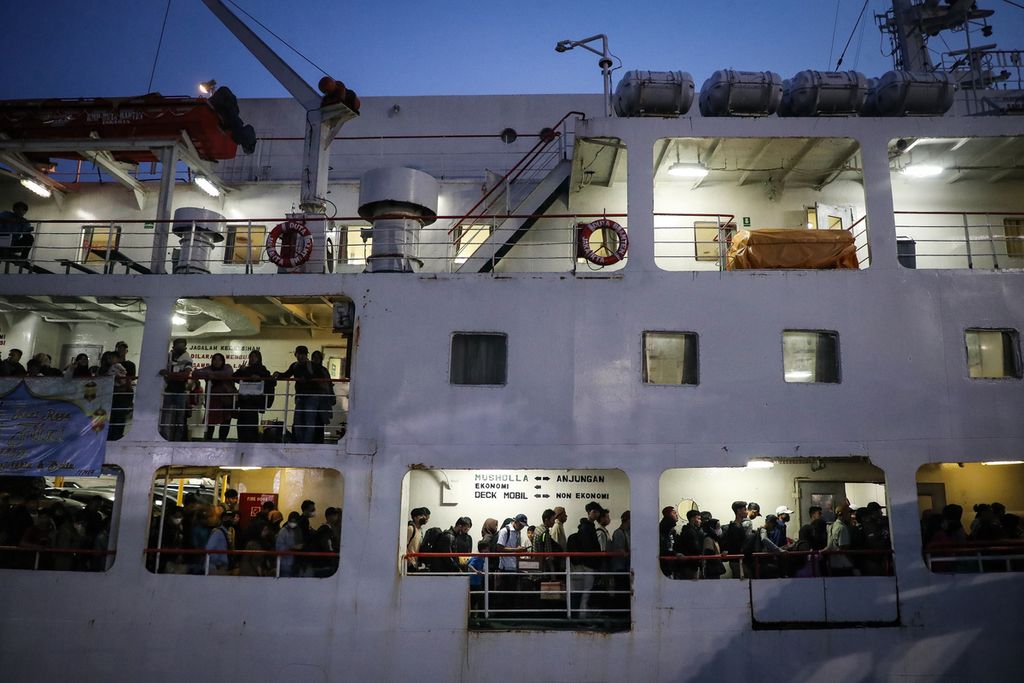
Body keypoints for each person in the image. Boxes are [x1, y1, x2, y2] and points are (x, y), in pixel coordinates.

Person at [274, 346, 319, 443]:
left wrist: (306, 378)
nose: (302, 356)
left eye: (304, 354)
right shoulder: (295, 366)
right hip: (301, 396)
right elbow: (287, 374)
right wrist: (278, 374)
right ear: (296, 355)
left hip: (310, 397)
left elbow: (314, 377)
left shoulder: (310, 365)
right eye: (300, 354)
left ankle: (304, 443)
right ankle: (302, 443)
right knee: (299, 422)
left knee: (307, 421)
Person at [233, 350, 276, 443]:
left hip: (253, 402)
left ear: (259, 358)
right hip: (244, 401)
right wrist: (241, 370)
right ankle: (243, 441)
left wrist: (258, 377)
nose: (252, 359)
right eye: (251, 357)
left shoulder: (262, 370)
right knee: (241, 424)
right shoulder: (246, 369)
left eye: (254, 357)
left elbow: (270, 380)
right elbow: (234, 377)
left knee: (250, 425)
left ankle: (249, 442)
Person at [193, 353, 236, 441]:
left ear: (223, 361)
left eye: (219, 360)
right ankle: (208, 441)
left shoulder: (227, 367)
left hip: (226, 399)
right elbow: (196, 373)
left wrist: (212, 375)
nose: (217, 362)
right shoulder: (209, 369)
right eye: (215, 360)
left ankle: (222, 440)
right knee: (210, 422)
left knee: (225, 421)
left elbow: (227, 373)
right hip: (213, 400)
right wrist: (211, 374)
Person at [159, 338, 193, 441]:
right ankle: (165, 438)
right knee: (165, 416)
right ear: (174, 346)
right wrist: (174, 375)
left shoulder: (187, 359)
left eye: (182, 346)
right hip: (168, 391)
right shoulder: (167, 357)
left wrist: (168, 374)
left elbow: (185, 375)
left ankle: (176, 440)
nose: (180, 348)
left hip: (180, 392)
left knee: (179, 418)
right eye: (178, 345)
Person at [99, 351, 131, 440]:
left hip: (118, 397)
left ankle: (116, 437)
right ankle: (108, 437)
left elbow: (125, 380)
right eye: (109, 358)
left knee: (118, 418)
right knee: (109, 419)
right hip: (107, 397)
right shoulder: (103, 371)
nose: (111, 360)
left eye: (112, 358)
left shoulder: (118, 367)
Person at [310, 350, 335, 444]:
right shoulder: (310, 369)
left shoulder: (324, 370)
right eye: (314, 357)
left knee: (321, 419)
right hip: (312, 398)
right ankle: (313, 439)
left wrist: (332, 396)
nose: (316, 359)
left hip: (323, 398)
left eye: (318, 358)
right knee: (312, 418)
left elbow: (329, 384)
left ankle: (319, 439)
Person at [826, 503, 857, 576]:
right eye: (849, 513)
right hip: (843, 565)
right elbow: (844, 549)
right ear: (843, 514)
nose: (850, 516)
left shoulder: (831, 526)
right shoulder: (842, 528)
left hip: (833, 564)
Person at [721, 501, 748, 579]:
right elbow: (736, 545)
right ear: (738, 511)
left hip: (737, 560)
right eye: (744, 509)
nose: (746, 512)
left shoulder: (735, 525)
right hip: (737, 561)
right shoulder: (736, 527)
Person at [609, 510, 631, 606]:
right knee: (621, 590)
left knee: (623, 590)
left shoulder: (625, 532)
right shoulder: (619, 533)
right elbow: (619, 551)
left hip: (623, 567)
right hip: (620, 567)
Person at [205, 510, 236, 575]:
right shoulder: (218, 532)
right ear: (222, 519)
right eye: (226, 518)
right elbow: (209, 548)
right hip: (217, 567)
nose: (229, 520)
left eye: (231, 518)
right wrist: (218, 563)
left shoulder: (228, 533)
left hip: (222, 567)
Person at [276, 511, 305, 577]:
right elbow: (278, 548)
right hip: (286, 565)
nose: (293, 523)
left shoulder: (298, 531)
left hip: (297, 564)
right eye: (292, 521)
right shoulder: (283, 531)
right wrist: (292, 547)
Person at [678, 509, 704, 580]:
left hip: (692, 563)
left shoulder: (692, 530)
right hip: (690, 564)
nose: (700, 521)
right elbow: (695, 547)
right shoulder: (690, 532)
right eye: (698, 518)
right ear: (692, 519)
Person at [406, 507, 430, 573]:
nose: (424, 518)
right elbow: (403, 545)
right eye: (421, 516)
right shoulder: (410, 528)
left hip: (416, 563)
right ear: (415, 518)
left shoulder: (420, 530)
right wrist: (410, 561)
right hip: (409, 564)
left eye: (424, 516)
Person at [659, 506, 681, 578]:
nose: (676, 515)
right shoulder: (662, 531)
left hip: (671, 564)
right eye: (674, 513)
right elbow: (664, 548)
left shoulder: (672, 531)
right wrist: (675, 554)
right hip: (665, 565)